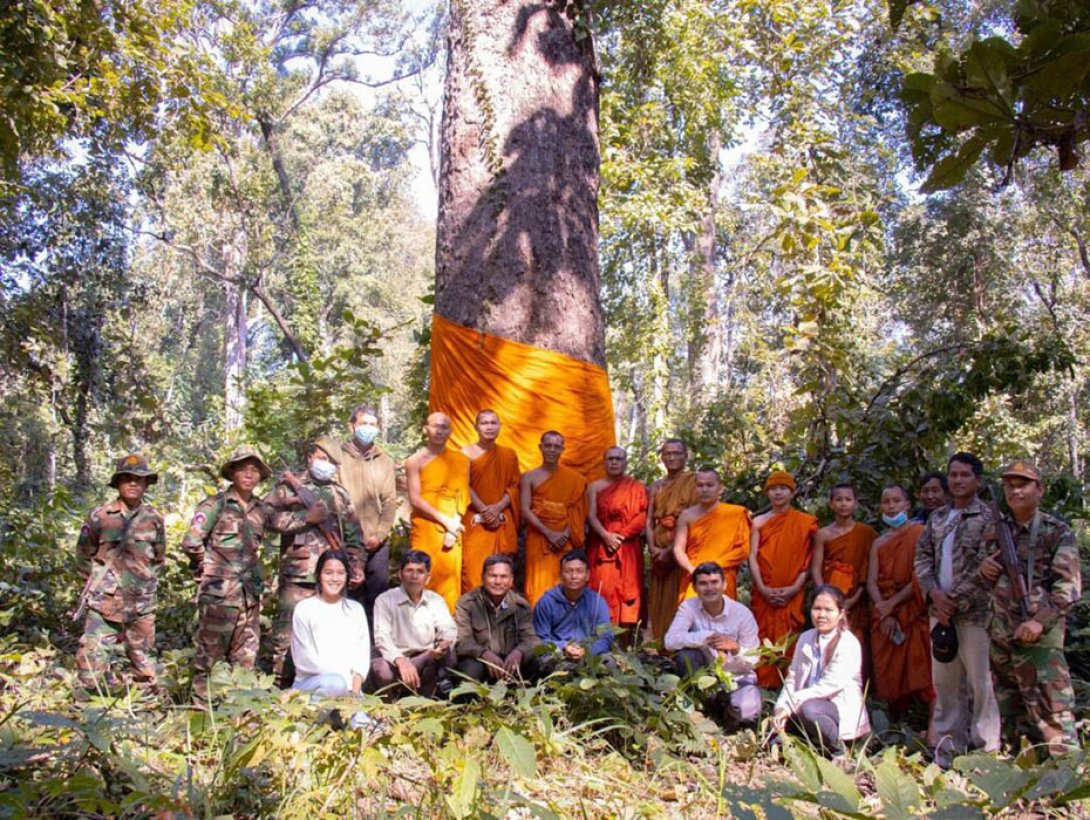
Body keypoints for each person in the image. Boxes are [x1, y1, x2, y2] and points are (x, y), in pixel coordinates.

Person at [978, 461, 1081, 757]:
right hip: (1001, 636)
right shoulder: (995, 529)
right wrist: (983, 568)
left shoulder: (1056, 531)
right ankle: (1023, 783)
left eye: (1022, 484)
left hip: (1038, 639)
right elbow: (985, 577)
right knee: (1012, 713)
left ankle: (1068, 783)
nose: (1015, 490)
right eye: (1009, 485)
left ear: (1040, 490)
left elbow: (1069, 588)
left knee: (1052, 711)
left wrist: (1039, 621)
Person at [913, 452, 999, 767]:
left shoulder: (990, 517)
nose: (958, 480)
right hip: (940, 614)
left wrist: (953, 599)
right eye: (953, 474)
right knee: (946, 685)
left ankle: (986, 755)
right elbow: (922, 557)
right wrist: (934, 594)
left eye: (964, 475)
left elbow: (989, 564)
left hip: (974, 613)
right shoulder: (937, 518)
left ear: (977, 479)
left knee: (981, 684)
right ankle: (948, 752)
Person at [267, 439, 365, 688]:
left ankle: (330, 689)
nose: (327, 465)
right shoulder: (288, 487)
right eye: (323, 459)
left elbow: (353, 534)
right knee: (286, 637)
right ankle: (281, 690)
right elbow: (266, 518)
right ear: (310, 457)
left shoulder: (339, 492)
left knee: (329, 636)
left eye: (332, 462)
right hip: (299, 575)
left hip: (334, 577)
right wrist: (304, 518)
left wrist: (357, 564)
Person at [182, 445, 274, 706]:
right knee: (208, 659)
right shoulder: (215, 504)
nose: (249, 474)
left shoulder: (260, 509)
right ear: (232, 472)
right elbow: (191, 541)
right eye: (243, 468)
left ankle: (238, 713)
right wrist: (208, 567)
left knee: (246, 659)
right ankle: (201, 713)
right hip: (219, 597)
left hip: (249, 598)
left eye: (255, 469)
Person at [75, 453, 166, 694]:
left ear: (146, 484)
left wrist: (143, 583)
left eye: (139, 479)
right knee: (92, 657)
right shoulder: (100, 517)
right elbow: (84, 555)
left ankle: (143, 706)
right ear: (117, 483)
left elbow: (158, 557)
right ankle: (87, 706)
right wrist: (99, 583)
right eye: (127, 478)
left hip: (141, 603)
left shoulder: (154, 519)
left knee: (143, 658)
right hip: (104, 601)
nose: (133, 483)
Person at [772, 585, 871, 758]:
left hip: (833, 711)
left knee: (809, 709)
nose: (822, 615)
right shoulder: (806, 638)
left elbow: (829, 685)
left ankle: (839, 751)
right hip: (801, 706)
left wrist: (793, 703)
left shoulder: (848, 643)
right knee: (774, 740)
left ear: (841, 613)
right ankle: (813, 744)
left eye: (829, 610)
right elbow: (793, 678)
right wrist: (781, 708)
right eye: (817, 608)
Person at [664, 562, 762, 729]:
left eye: (714, 582)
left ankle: (728, 719)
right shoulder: (689, 607)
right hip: (705, 677)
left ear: (724, 585)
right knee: (686, 656)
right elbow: (670, 641)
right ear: (694, 588)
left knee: (747, 711)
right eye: (703, 583)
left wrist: (736, 647)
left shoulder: (742, 614)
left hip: (737, 678)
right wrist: (706, 637)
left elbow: (754, 660)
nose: (709, 588)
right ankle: (702, 710)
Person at [866, 484, 933, 715]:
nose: (891, 506)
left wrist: (891, 605)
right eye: (886, 502)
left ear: (908, 504)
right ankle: (897, 722)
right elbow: (871, 581)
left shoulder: (921, 534)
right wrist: (884, 611)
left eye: (896, 501)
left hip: (913, 610)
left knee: (923, 668)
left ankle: (933, 723)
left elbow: (920, 577)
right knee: (889, 672)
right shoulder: (879, 542)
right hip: (884, 611)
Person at [749, 471, 818, 688]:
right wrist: (762, 588)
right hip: (764, 591)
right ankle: (763, 685)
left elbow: (809, 560)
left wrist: (794, 588)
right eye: (773, 488)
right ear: (767, 492)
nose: (778, 492)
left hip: (792, 592)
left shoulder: (805, 523)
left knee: (790, 638)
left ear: (793, 492)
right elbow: (752, 556)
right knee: (763, 635)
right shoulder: (758, 522)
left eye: (783, 488)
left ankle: (787, 686)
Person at [335, 405, 399, 628]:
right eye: (363, 424)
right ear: (352, 426)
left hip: (376, 542)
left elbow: (390, 501)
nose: (368, 428)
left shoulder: (384, 460)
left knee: (377, 598)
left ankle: (376, 652)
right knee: (344, 598)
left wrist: (380, 535)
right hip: (342, 540)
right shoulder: (337, 457)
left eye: (372, 425)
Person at [371, 550, 458, 698]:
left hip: (425, 658)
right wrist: (400, 660)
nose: (414, 576)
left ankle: (428, 700)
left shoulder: (435, 600)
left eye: (420, 572)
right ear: (400, 574)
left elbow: (448, 628)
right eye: (409, 571)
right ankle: (388, 706)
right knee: (380, 668)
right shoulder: (385, 600)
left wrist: (444, 643)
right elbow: (382, 638)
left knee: (448, 655)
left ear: (428, 577)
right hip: (395, 661)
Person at [406, 412, 470, 611]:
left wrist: (452, 526)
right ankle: (420, 629)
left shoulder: (461, 459)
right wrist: (445, 522)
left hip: (452, 527)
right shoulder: (414, 461)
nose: (439, 431)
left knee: (450, 581)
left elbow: (463, 494)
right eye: (435, 426)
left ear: (450, 431)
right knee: (421, 576)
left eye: (444, 427)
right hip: (426, 527)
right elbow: (415, 498)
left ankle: (447, 633)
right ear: (426, 429)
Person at [586, 447, 648, 643]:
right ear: (604, 462)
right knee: (601, 590)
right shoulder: (594, 487)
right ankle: (600, 641)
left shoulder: (636, 487)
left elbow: (642, 516)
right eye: (610, 458)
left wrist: (619, 536)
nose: (614, 462)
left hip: (627, 546)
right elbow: (590, 515)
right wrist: (606, 536)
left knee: (628, 593)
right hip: (601, 546)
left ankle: (626, 643)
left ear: (625, 462)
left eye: (618, 459)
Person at [290, 549, 371, 697]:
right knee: (335, 683)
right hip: (311, 684)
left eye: (340, 573)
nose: (334, 578)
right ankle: (310, 718)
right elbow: (304, 661)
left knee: (363, 721)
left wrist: (355, 690)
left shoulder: (356, 610)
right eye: (328, 572)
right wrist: (344, 681)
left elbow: (362, 657)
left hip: (351, 688)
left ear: (347, 577)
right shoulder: (304, 609)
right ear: (319, 575)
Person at [520, 431, 588, 606]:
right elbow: (525, 510)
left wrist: (564, 534)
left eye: (556, 446)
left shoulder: (575, 480)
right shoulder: (529, 477)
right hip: (538, 538)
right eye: (548, 446)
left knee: (567, 584)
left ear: (562, 449)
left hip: (565, 539)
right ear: (540, 448)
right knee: (536, 587)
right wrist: (549, 533)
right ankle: (539, 628)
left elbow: (577, 512)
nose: (552, 450)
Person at [454, 554, 541, 683]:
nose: (498, 581)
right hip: (480, 662)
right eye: (493, 576)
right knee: (469, 671)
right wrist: (483, 654)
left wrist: (519, 652)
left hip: (511, 664)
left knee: (542, 662)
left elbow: (531, 639)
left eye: (504, 577)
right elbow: (462, 640)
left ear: (511, 580)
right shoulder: (467, 603)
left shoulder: (520, 605)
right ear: (483, 578)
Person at [460, 409, 521, 592]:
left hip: (501, 519)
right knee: (473, 573)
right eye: (484, 423)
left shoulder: (509, 454)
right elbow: (463, 485)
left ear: (499, 426)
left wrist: (497, 508)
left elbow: (514, 485)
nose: (489, 427)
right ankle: (474, 617)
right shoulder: (464, 454)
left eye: (493, 423)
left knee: (502, 574)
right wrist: (485, 511)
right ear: (476, 427)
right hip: (476, 521)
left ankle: (502, 617)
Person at [646, 439, 699, 644]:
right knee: (659, 599)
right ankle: (661, 644)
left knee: (678, 597)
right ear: (662, 457)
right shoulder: (657, 486)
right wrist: (652, 547)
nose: (672, 458)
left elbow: (694, 517)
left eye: (677, 453)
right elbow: (649, 518)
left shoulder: (693, 482)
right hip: (658, 551)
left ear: (685, 456)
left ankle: (678, 645)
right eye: (667, 454)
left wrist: (671, 550)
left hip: (680, 551)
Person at [811, 484, 876, 651]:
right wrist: (825, 596)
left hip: (857, 597)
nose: (843, 504)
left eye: (848, 499)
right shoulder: (823, 534)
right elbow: (816, 569)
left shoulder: (866, 533)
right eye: (838, 500)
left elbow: (867, 569)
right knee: (827, 643)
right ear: (831, 504)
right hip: (828, 596)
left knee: (857, 643)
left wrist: (854, 599)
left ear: (855, 503)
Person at [672, 468, 750, 602]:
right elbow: (678, 549)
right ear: (695, 488)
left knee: (722, 619)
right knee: (691, 617)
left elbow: (744, 549)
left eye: (709, 485)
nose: (704, 489)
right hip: (694, 576)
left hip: (722, 576)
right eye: (700, 485)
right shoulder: (686, 515)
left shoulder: (735, 514)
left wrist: (715, 566)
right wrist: (693, 569)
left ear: (720, 488)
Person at [533, 550, 613, 666]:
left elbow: (606, 637)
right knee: (547, 663)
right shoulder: (546, 602)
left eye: (579, 571)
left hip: (589, 654)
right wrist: (563, 647)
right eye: (568, 571)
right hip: (559, 654)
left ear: (587, 575)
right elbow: (540, 638)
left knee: (609, 662)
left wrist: (586, 650)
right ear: (560, 575)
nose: (574, 576)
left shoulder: (597, 602)